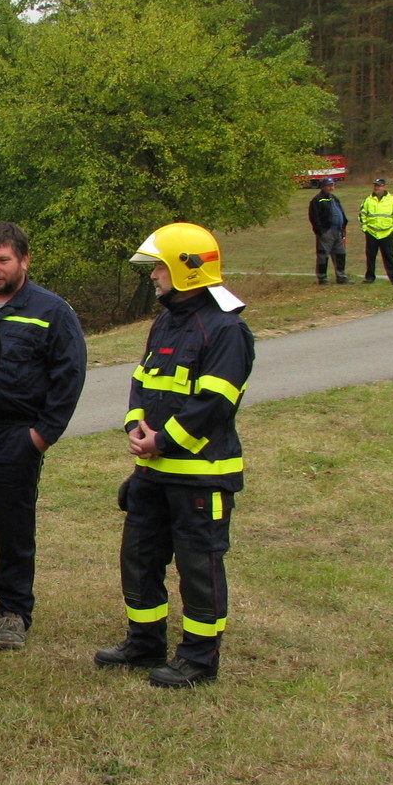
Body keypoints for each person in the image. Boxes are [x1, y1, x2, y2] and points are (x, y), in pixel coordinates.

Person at [94, 223, 255, 688]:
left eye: (159, 267)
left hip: (201, 478)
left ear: (185, 269)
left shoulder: (226, 330)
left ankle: (199, 659)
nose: (153, 276)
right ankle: (144, 642)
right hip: (152, 474)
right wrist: (134, 425)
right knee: (139, 559)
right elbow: (142, 381)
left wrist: (160, 440)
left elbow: (215, 402)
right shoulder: (165, 320)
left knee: (198, 567)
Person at [0, 222, 86, 651]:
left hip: (15, 440)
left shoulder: (52, 311)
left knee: (14, 533)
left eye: (3, 260)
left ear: (24, 260)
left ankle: (13, 613)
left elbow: (68, 377)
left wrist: (40, 436)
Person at [360, 177, 393, 285]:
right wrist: (365, 228)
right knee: (370, 256)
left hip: (386, 233)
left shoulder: (392, 199)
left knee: (389, 256)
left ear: (384, 187)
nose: (376, 188)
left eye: (378, 186)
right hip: (372, 232)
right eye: (375, 185)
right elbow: (362, 214)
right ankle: (370, 277)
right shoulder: (368, 200)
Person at [308, 177, 349, 285]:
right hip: (326, 231)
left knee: (340, 254)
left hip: (338, 231)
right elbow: (314, 217)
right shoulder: (317, 200)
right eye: (329, 185)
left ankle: (341, 277)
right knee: (323, 255)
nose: (331, 188)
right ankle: (322, 278)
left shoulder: (334, 199)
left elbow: (341, 213)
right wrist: (320, 231)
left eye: (332, 185)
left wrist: (343, 226)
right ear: (323, 187)